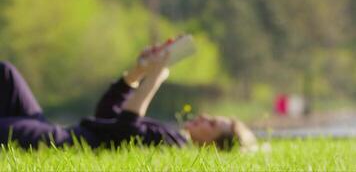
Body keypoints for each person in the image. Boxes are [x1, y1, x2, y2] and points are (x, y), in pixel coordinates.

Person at [0, 41, 256, 150]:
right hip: (58, 129)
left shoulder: (173, 146)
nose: (205, 116)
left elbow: (125, 127)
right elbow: (106, 114)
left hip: (59, 140)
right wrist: (139, 70)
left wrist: (155, 77)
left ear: (212, 147)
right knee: (7, 73)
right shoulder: (174, 135)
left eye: (212, 124)